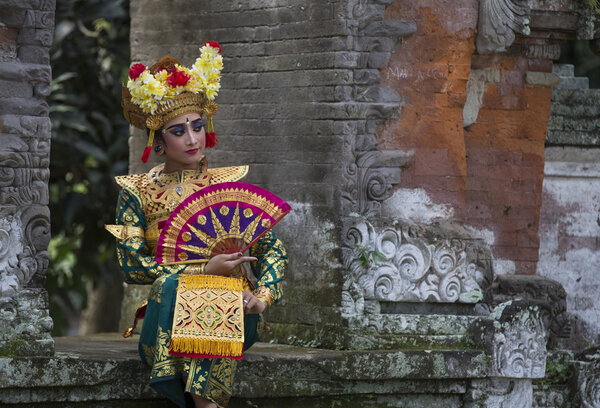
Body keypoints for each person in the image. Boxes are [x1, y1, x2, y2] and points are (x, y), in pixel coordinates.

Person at [106, 42, 287, 408]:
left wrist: (262, 297)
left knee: (216, 291)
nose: (192, 139)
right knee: (180, 284)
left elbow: (273, 249)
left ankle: (204, 403)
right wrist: (204, 268)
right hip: (167, 317)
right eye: (178, 131)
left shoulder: (228, 184)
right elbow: (132, 265)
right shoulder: (136, 191)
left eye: (197, 126)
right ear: (158, 138)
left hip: (236, 314)